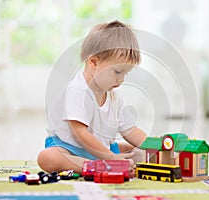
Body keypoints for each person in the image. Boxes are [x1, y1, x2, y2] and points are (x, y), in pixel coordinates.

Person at [37, 20, 147, 177]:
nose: (121, 79)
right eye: (117, 72)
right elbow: (79, 134)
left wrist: (156, 146)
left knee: (137, 151)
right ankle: (98, 166)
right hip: (70, 148)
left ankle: (105, 163)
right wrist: (110, 157)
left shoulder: (114, 98)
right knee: (47, 157)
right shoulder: (78, 91)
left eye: (125, 74)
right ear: (93, 62)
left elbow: (131, 131)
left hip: (101, 151)